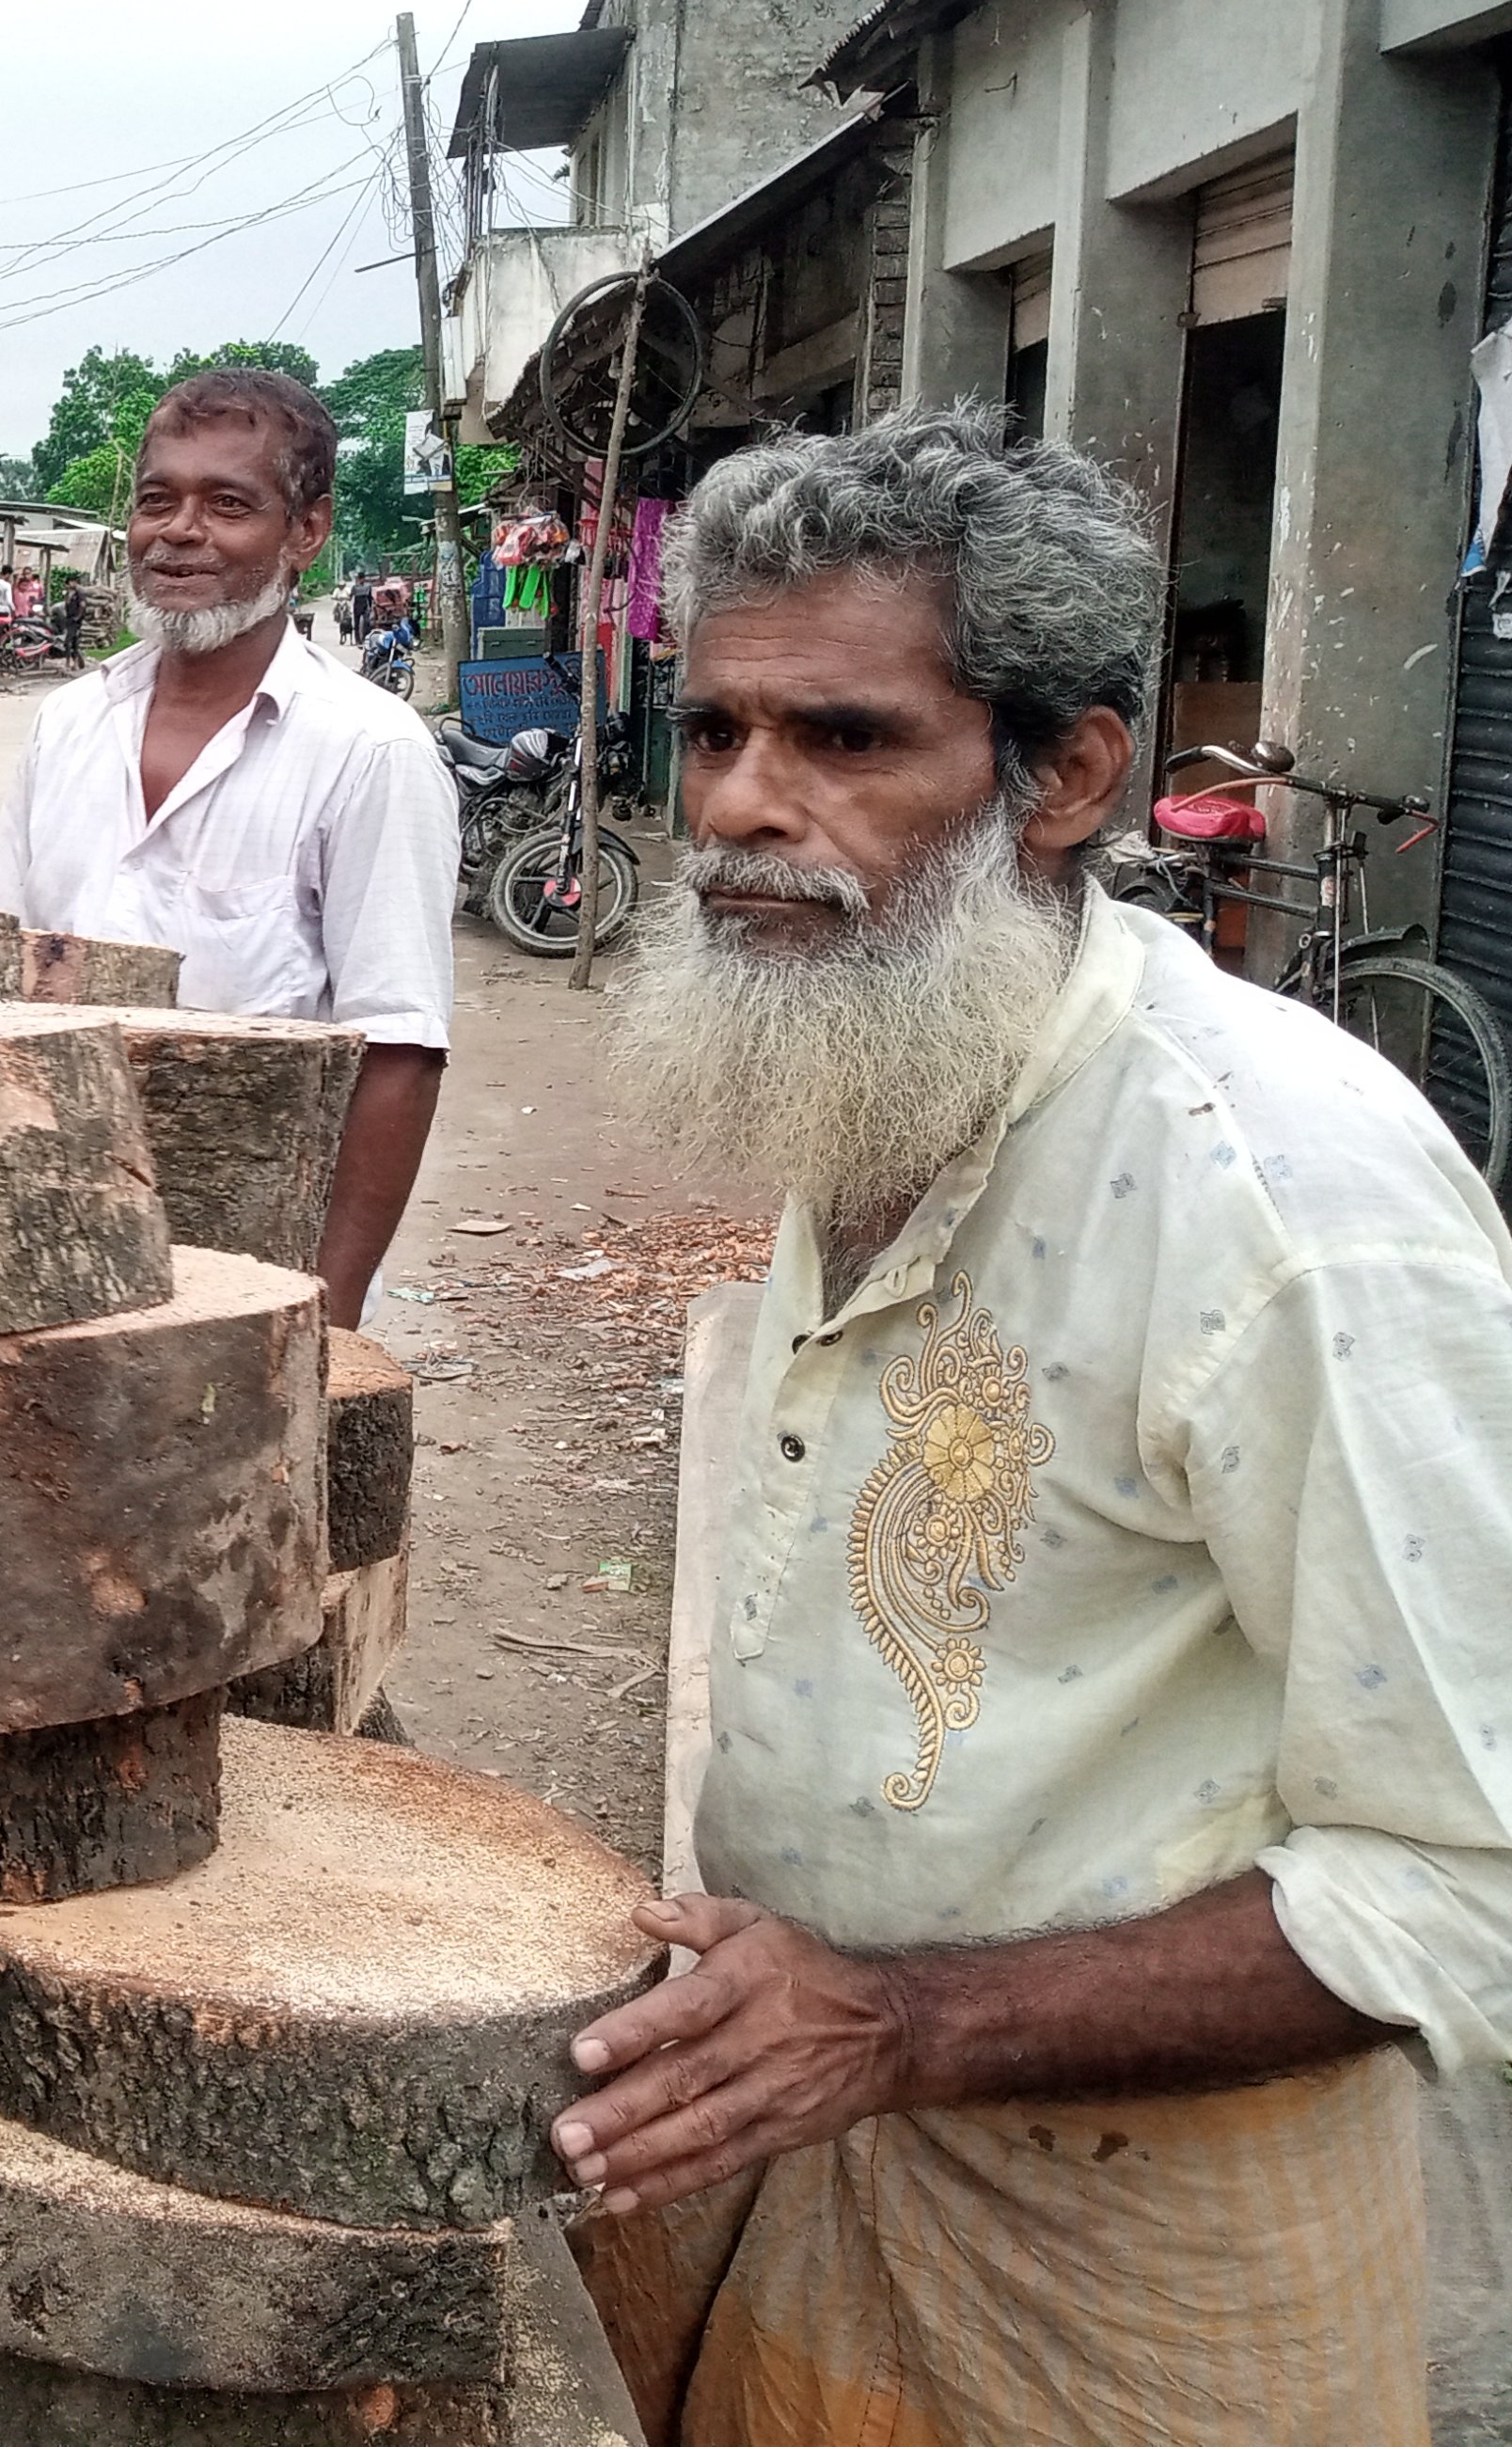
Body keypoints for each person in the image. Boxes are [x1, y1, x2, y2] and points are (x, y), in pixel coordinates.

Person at [566, 406, 1512, 2445]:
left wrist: (901, 2026)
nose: (737, 805)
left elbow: (1464, 1883)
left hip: (1144, 2262)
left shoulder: (1283, 1209)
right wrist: (834, 2034)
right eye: (711, 730)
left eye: (840, 741)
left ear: (1064, 774)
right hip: (795, 2142)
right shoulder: (881, 1062)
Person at [0, 366, 454, 1325]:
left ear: (305, 533)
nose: (179, 531)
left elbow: (399, 1049)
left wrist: (325, 1315)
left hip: (252, 1269)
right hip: (44, 1245)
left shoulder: (368, 752)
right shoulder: (67, 724)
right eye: (158, 500)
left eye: (228, 504)